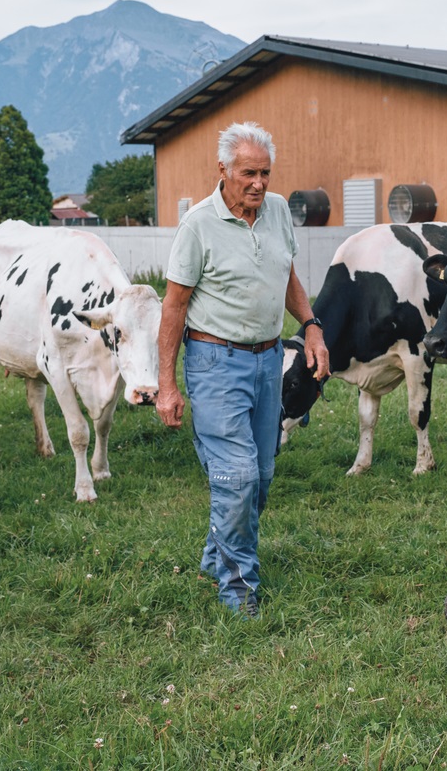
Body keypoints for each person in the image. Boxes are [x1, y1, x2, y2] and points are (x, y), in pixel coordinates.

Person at [156, 121, 329, 618]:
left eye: (265, 173)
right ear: (223, 170)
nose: (258, 183)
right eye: (248, 173)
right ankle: (239, 593)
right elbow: (173, 306)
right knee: (236, 477)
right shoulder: (198, 225)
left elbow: (287, 276)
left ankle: (218, 556)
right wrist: (166, 384)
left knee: (262, 475)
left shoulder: (276, 212)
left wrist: (311, 325)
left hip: (268, 360)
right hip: (214, 363)